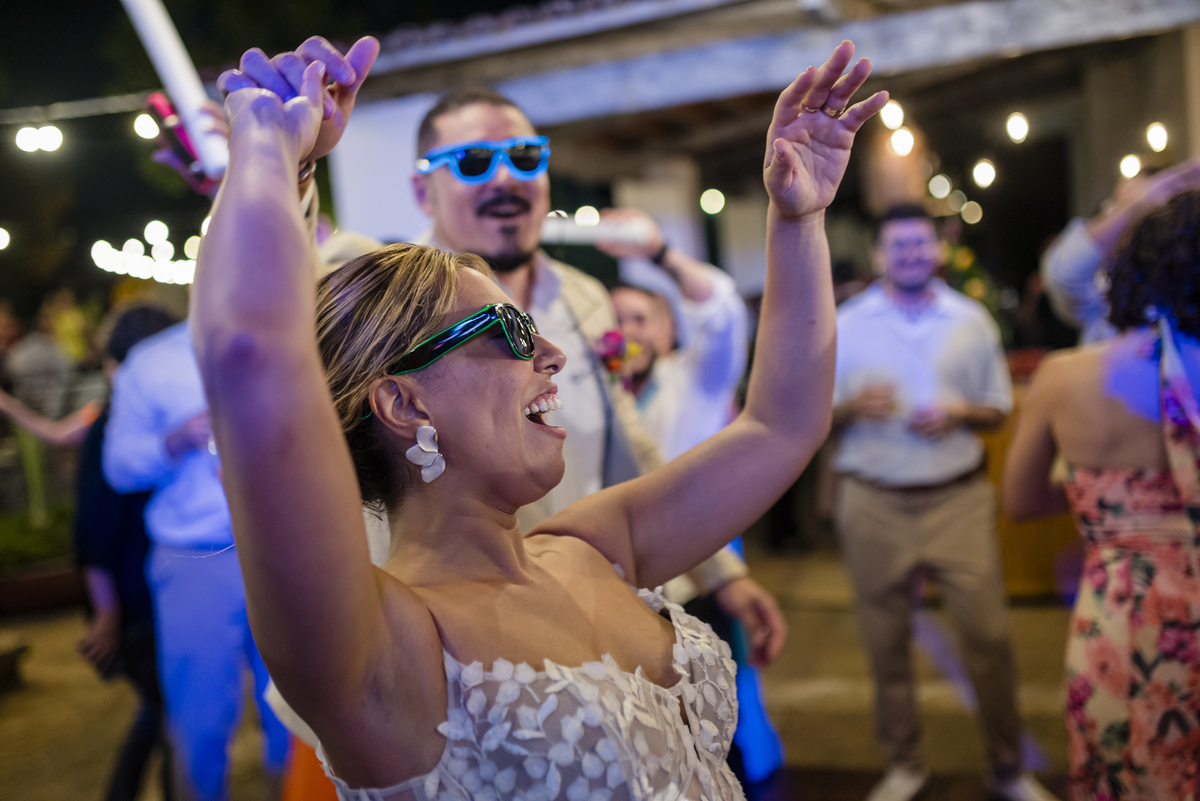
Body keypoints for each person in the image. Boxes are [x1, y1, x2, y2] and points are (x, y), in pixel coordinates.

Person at [194, 37, 883, 801]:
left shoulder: (590, 547)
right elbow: (251, 355)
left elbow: (781, 427)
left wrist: (800, 219)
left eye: (536, 326)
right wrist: (265, 138)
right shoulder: (386, 652)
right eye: (511, 334)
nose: (551, 352)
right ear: (403, 401)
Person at [830, 205, 1053, 801]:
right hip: (872, 497)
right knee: (886, 641)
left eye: (919, 244)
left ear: (937, 250)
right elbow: (807, 416)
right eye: (897, 245)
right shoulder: (845, 323)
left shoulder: (971, 320)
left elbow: (999, 408)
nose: (909, 254)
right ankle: (905, 764)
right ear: (879, 254)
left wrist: (958, 413)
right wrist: (851, 408)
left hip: (958, 499)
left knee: (990, 638)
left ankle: (1008, 769)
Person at [1005, 190, 1200, 800]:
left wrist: (1112, 509)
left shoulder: (1064, 376)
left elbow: (1022, 500)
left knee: (1119, 758)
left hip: (1118, 611)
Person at [609, 240, 786, 788]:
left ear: (666, 331)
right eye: (615, 319)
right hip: (614, 588)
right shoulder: (584, 391)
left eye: (640, 318)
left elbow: (723, 314)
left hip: (695, 574)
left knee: (714, 727)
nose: (626, 330)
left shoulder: (695, 380)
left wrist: (660, 253)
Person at [103, 316, 291, 800]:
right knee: (199, 717)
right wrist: (173, 440)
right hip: (195, 555)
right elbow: (118, 466)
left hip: (288, 548)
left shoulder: (293, 338)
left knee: (299, 711)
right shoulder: (152, 361)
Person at [1041, 159, 1200, 344]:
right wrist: (1133, 207)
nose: (1116, 218)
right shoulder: (1102, 286)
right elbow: (1063, 275)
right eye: (1117, 208)